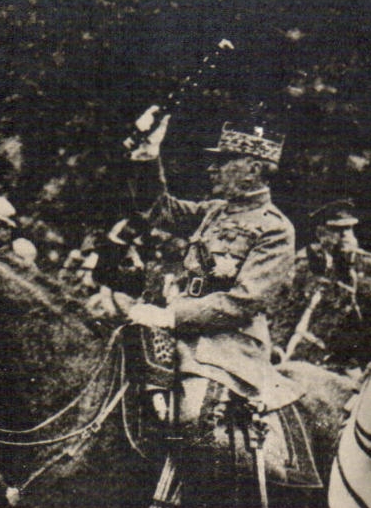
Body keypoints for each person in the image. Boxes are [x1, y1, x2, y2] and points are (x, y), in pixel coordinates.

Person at [125, 109, 300, 418]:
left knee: (191, 415)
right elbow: (157, 209)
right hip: (175, 333)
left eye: (223, 162)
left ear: (253, 169)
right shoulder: (214, 211)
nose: (211, 169)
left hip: (227, 347)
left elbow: (245, 302)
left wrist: (172, 315)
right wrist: (147, 154)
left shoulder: (276, 228)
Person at [274, 203, 371, 370]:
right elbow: (287, 309)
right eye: (336, 230)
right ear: (321, 233)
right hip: (302, 350)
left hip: (346, 358)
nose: (344, 235)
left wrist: (352, 275)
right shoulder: (305, 264)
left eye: (349, 229)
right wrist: (278, 345)